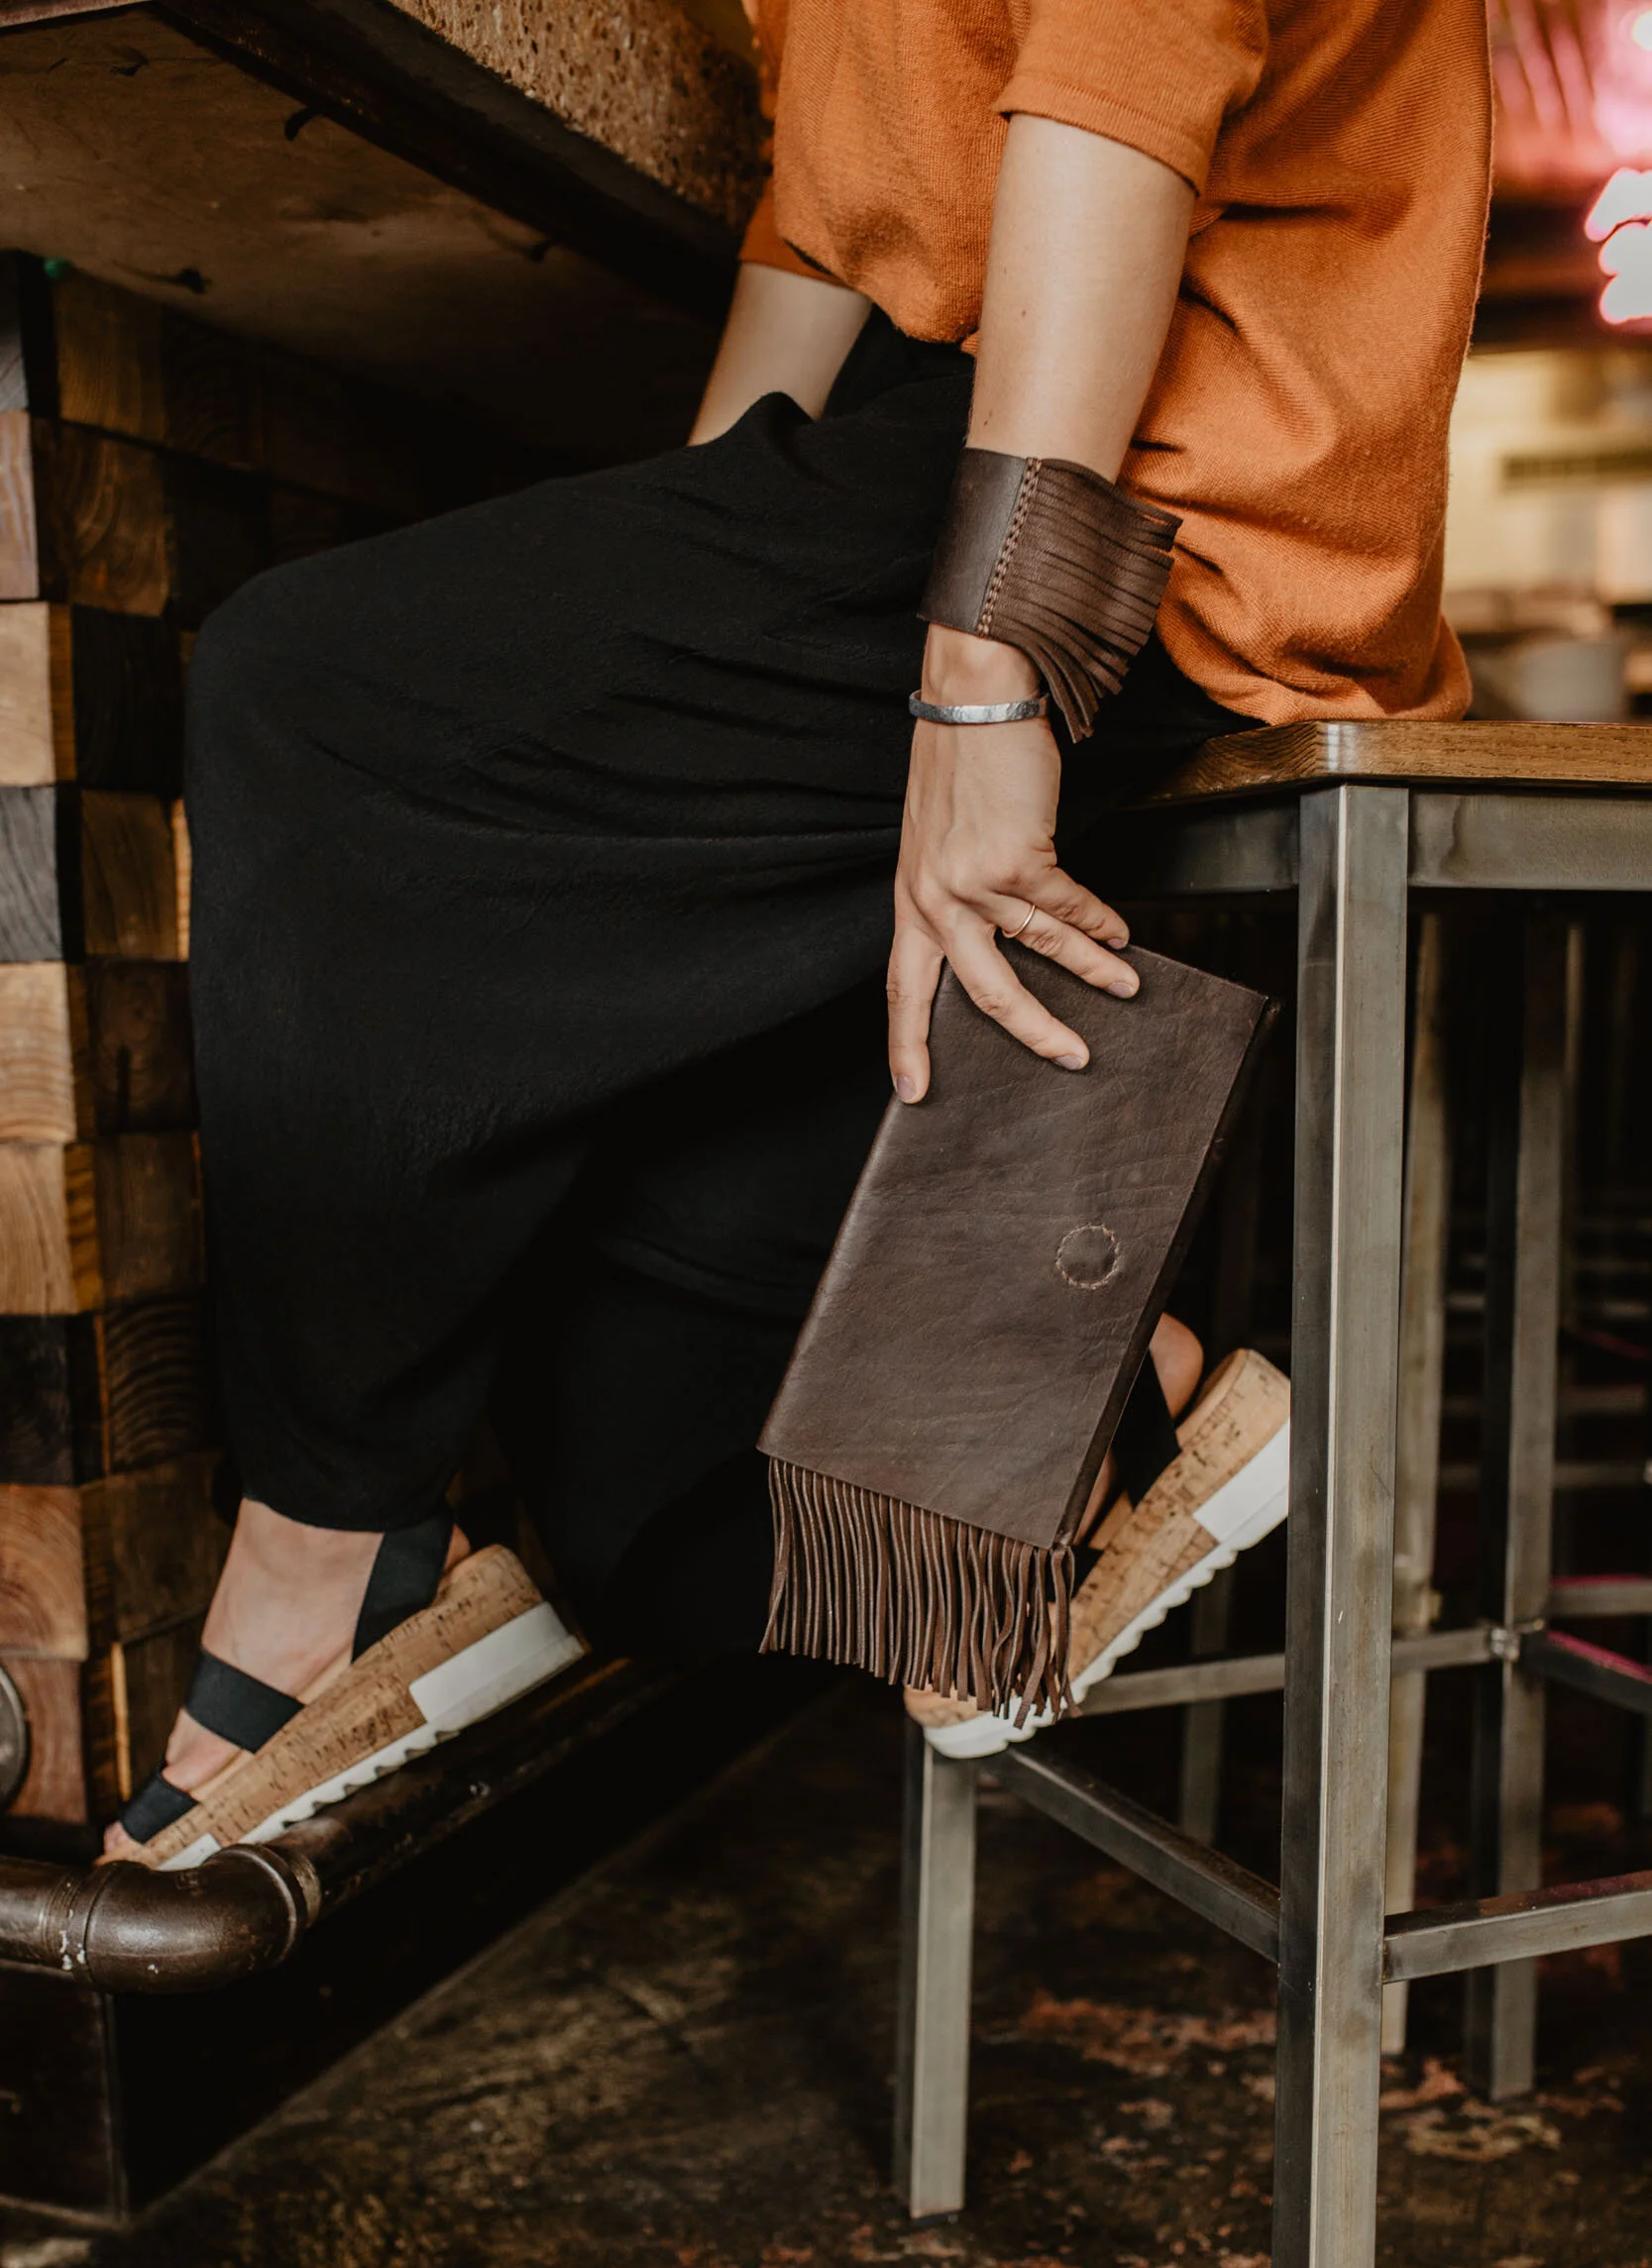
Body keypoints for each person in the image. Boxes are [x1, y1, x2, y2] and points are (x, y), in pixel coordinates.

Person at [105, 0, 1492, 1861]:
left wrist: (988, 675)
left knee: (316, 691)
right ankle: (1107, 1398)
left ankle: (322, 1550)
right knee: (636, 1534)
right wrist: (669, 576)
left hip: (1163, 475)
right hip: (947, 440)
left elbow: (1121, 96)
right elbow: (818, 207)